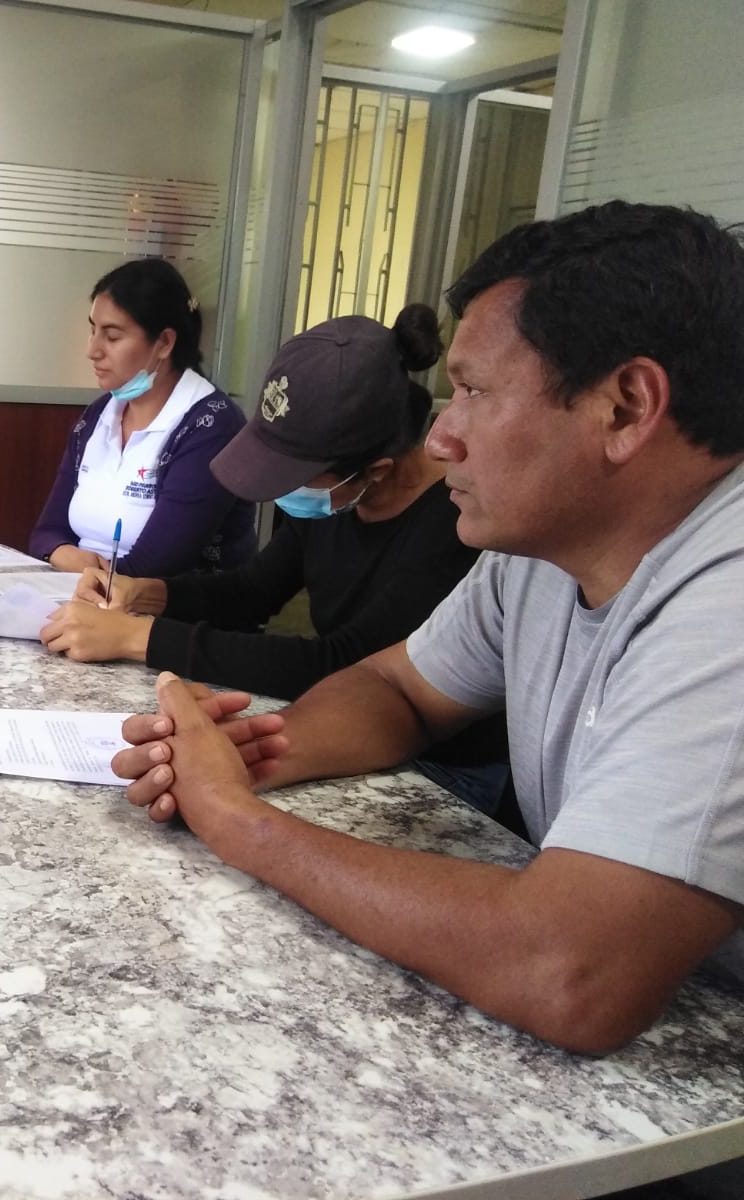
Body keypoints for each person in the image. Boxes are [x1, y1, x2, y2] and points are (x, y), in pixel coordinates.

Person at [111, 201, 744, 1054]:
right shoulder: (543, 548)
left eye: (474, 392)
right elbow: (396, 686)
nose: (441, 436)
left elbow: (569, 971)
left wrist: (236, 818)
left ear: (626, 408)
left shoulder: (726, 600)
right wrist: (257, 751)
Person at [39, 305, 508, 813]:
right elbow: (252, 591)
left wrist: (139, 638)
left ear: (376, 470)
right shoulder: (339, 498)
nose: (284, 493)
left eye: (297, 477)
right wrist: (146, 594)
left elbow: (345, 664)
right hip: (336, 728)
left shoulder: (455, 529)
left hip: (441, 772)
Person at [28, 259, 255, 578]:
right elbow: (46, 535)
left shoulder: (211, 426)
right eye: (93, 330)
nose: (93, 350)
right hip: (80, 590)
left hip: (163, 604)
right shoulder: (97, 416)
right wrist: (68, 556)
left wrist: (80, 567)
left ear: (164, 343)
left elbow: (157, 566)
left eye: (112, 336)